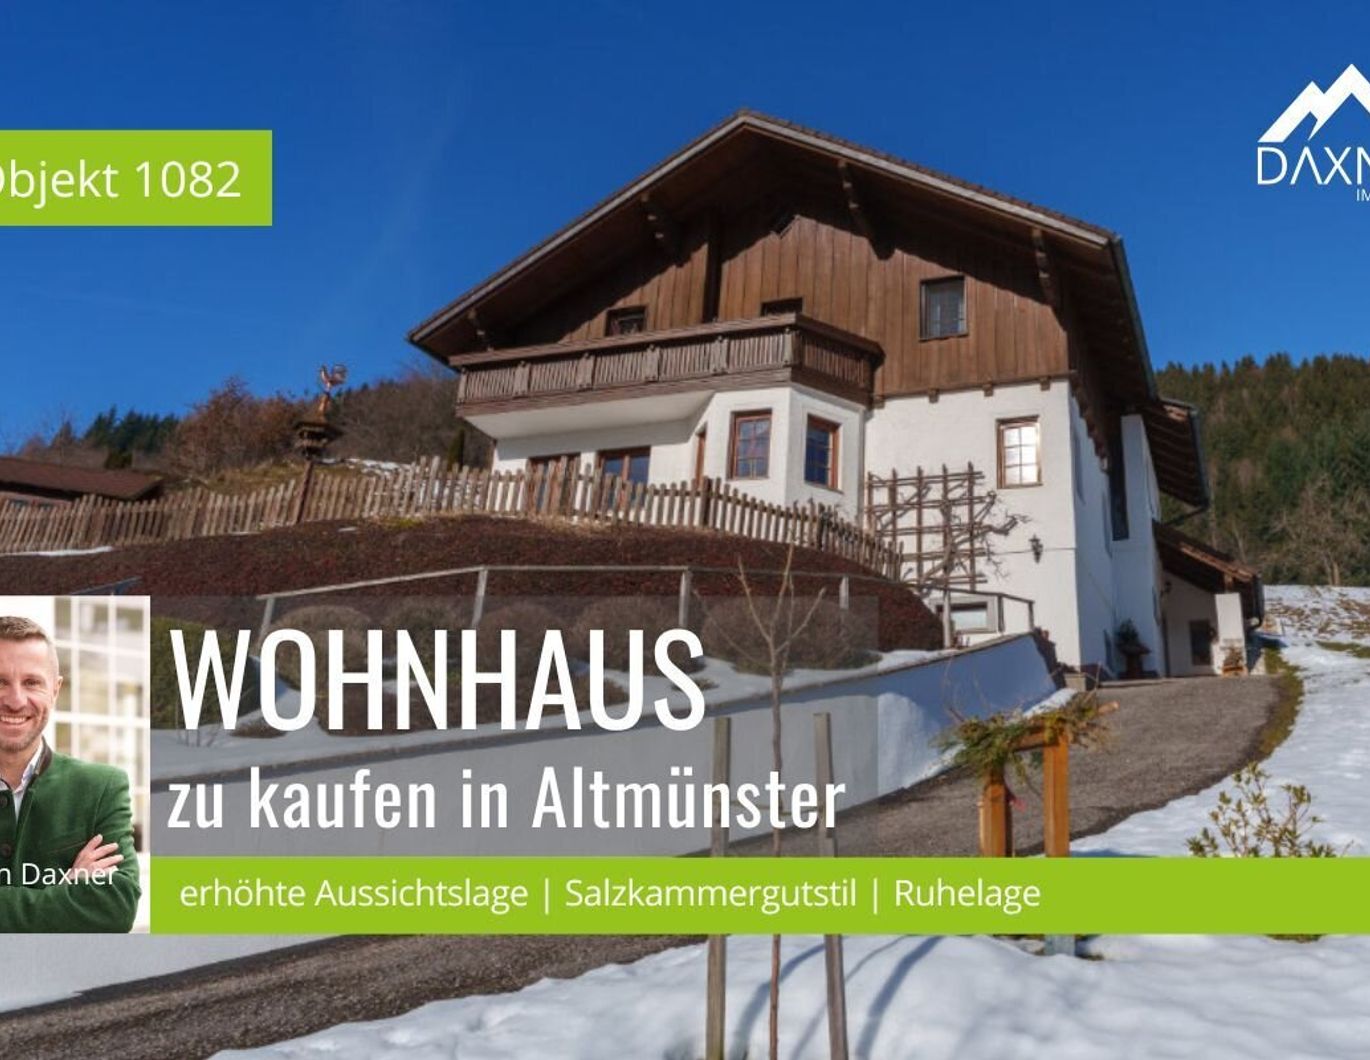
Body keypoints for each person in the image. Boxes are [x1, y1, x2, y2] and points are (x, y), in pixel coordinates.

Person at [0, 615, 140, 932]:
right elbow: (91, 909)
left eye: (32, 682)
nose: (15, 701)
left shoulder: (101, 788)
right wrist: (65, 894)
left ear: (55, 690)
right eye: (0, 682)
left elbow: (115, 908)